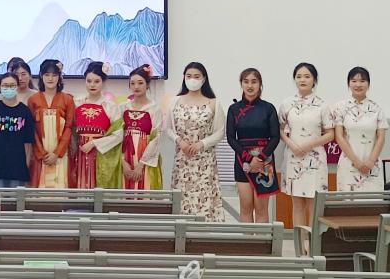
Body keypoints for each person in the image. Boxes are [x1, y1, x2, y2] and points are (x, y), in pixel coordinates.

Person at [279, 62, 334, 231]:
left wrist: (309, 144)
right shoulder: (286, 104)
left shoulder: (323, 105)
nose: (302, 80)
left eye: (307, 76)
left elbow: (330, 134)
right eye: (299, 76)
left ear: (314, 80)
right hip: (294, 157)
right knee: (297, 204)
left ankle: (312, 243)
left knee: (313, 204)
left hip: (315, 159)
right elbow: (281, 130)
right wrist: (291, 144)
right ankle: (300, 243)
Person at [166, 62, 225, 221]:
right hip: (182, 159)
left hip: (204, 160)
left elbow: (220, 132)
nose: (192, 79)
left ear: (204, 79)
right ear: (184, 78)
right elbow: (168, 128)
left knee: (204, 200)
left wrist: (202, 144)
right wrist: (179, 141)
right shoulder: (174, 101)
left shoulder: (213, 102)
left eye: (197, 76)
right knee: (182, 198)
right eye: (189, 76)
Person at [94, 64, 162, 190]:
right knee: (125, 191)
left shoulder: (154, 108)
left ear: (147, 85)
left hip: (145, 159)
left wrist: (141, 165)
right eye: (133, 83)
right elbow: (116, 135)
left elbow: (155, 138)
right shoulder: (123, 107)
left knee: (145, 189)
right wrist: (123, 162)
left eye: (140, 83)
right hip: (126, 157)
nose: (136, 86)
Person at [226, 67, 280, 222]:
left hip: (265, 162)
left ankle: (262, 239)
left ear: (260, 84)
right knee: (245, 206)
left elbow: (275, 137)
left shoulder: (269, 108)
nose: (250, 86)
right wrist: (249, 159)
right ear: (241, 84)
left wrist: (260, 158)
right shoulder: (234, 109)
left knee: (261, 209)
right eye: (246, 81)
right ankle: (247, 239)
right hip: (242, 161)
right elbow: (231, 138)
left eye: (254, 82)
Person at [333, 66, 387, 192]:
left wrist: (371, 162)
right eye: (354, 81)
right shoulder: (341, 107)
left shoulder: (376, 108)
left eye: (362, 81)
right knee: (348, 201)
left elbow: (381, 138)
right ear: (348, 84)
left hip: (372, 165)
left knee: (372, 201)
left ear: (368, 84)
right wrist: (356, 161)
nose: (358, 84)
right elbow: (339, 137)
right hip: (348, 163)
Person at [28, 59, 75, 188]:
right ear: (41, 76)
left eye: (54, 75)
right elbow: (32, 129)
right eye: (47, 75)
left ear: (59, 77)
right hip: (40, 155)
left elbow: (69, 127)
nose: (50, 78)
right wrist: (42, 153)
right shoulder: (33, 100)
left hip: (61, 155)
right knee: (39, 191)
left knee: (60, 190)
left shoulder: (68, 99)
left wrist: (57, 153)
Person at [0, 72, 34, 188]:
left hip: (18, 168)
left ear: (17, 87)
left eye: (12, 85)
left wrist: (26, 166)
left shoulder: (25, 111)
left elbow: (28, 143)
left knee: (16, 199)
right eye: (5, 85)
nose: (8, 88)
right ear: (0, 87)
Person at [71, 61, 119, 188]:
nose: (92, 85)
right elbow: (71, 128)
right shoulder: (77, 103)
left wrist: (94, 143)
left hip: (101, 154)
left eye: (97, 81)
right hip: (79, 153)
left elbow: (118, 134)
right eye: (89, 81)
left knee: (98, 188)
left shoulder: (110, 106)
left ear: (103, 82)